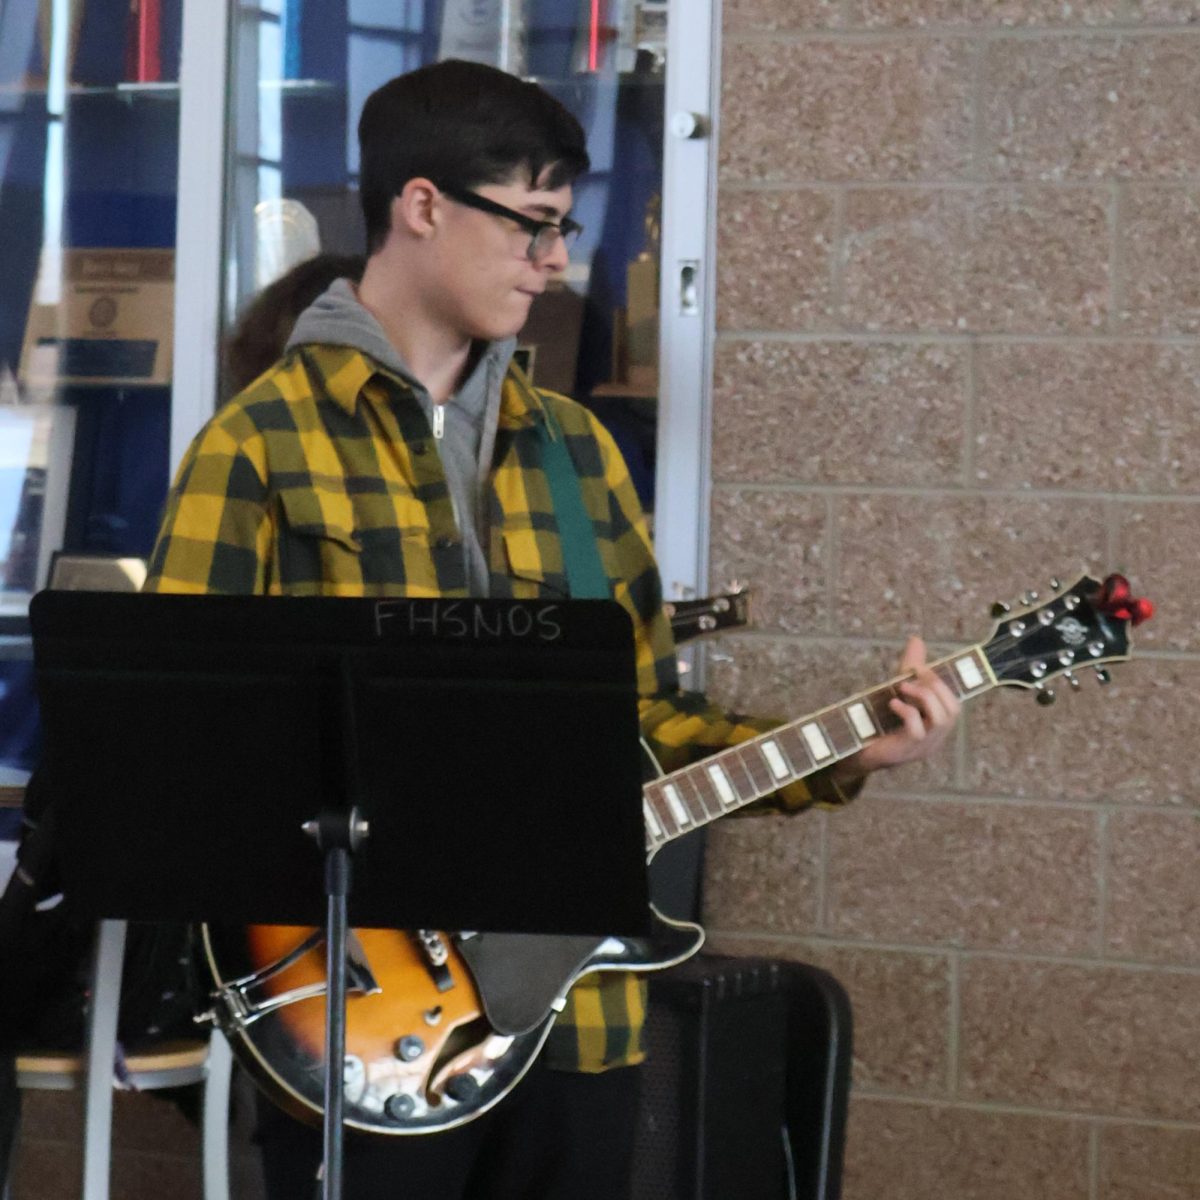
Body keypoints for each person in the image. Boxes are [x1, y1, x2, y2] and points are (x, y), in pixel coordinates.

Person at [145, 59, 958, 1200]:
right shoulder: (260, 444)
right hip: (364, 1017)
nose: (557, 262)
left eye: (564, 228)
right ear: (421, 207)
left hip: (580, 1022)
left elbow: (644, 718)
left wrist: (845, 752)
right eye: (532, 226)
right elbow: (176, 744)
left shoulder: (577, 453)